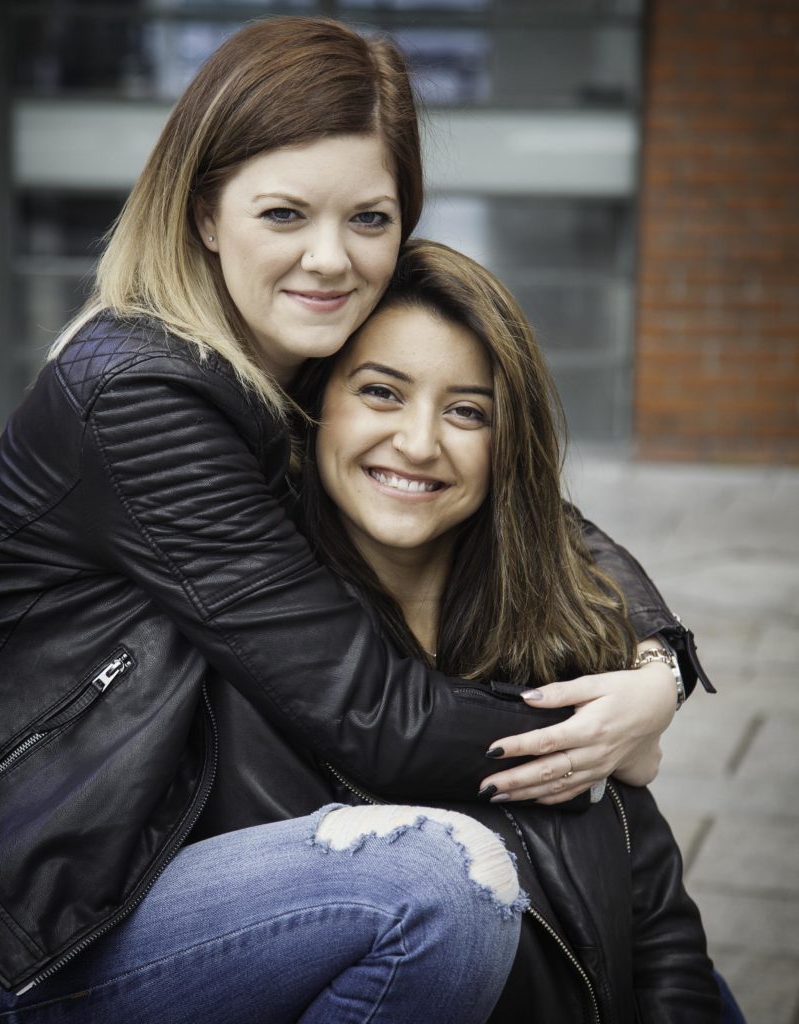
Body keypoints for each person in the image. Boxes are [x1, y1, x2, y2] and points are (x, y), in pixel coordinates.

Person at [0, 14, 710, 1018]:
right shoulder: (139, 394)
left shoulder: (297, 343)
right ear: (204, 212)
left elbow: (538, 510)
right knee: (442, 883)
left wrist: (655, 671)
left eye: (369, 218)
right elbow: (377, 718)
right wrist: (591, 736)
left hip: (207, 857)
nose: (331, 258)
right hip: (71, 924)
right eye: (284, 213)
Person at [292, 237, 721, 1021]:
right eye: (381, 393)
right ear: (317, 404)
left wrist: (660, 669)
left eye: (466, 412)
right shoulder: (250, 654)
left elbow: (659, 931)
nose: (419, 443)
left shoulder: (559, 625)